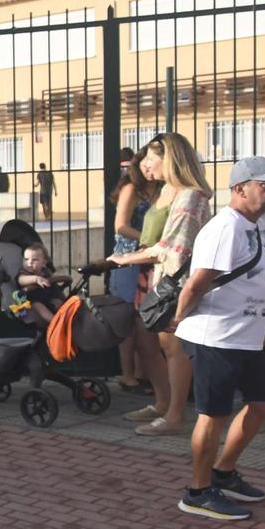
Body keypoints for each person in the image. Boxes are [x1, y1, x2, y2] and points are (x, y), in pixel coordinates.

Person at [170, 156, 265, 521]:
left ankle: (223, 473)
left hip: (244, 337)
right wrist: (177, 319)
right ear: (240, 189)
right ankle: (198, 491)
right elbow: (198, 281)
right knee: (213, 415)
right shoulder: (227, 228)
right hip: (216, 337)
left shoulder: (255, 226)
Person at [108, 133, 213, 436]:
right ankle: (162, 402)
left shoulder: (191, 194)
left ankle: (175, 414)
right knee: (147, 342)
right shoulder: (167, 190)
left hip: (172, 281)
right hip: (153, 276)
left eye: (149, 161)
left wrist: (126, 259)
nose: (144, 167)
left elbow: (174, 249)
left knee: (172, 346)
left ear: (167, 158)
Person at [108, 160, 157, 389]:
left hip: (151, 260)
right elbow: (120, 226)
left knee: (145, 320)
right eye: (145, 164)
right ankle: (128, 375)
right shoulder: (131, 189)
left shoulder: (161, 188)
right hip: (127, 260)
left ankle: (143, 372)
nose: (149, 169)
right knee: (127, 321)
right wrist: (148, 240)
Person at [13, 243, 71, 328]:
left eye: (35, 260)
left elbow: (52, 284)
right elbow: (21, 280)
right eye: (26, 259)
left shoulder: (46, 272)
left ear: (43, 263)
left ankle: (68, 320)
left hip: (48, 298)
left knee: (60, 302)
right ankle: (55, 323)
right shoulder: (24, 273)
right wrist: (36, 279)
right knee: (39, 306)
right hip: (31, 299)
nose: (29, 263)